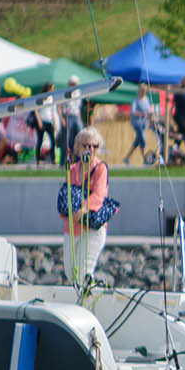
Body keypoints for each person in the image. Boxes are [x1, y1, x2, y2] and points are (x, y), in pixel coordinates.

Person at [60, 126, 114, 295]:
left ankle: (86, 299)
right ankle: (83, 296)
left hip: (92, 228)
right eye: (86, 145)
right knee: (70, 272)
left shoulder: (101, 169)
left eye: (94, 146)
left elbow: (99, 195)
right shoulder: (72, 170)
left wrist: (82, 209)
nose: (90, 149)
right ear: (78, 148)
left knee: (85, 269)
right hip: (72, 228)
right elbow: (65, 195)